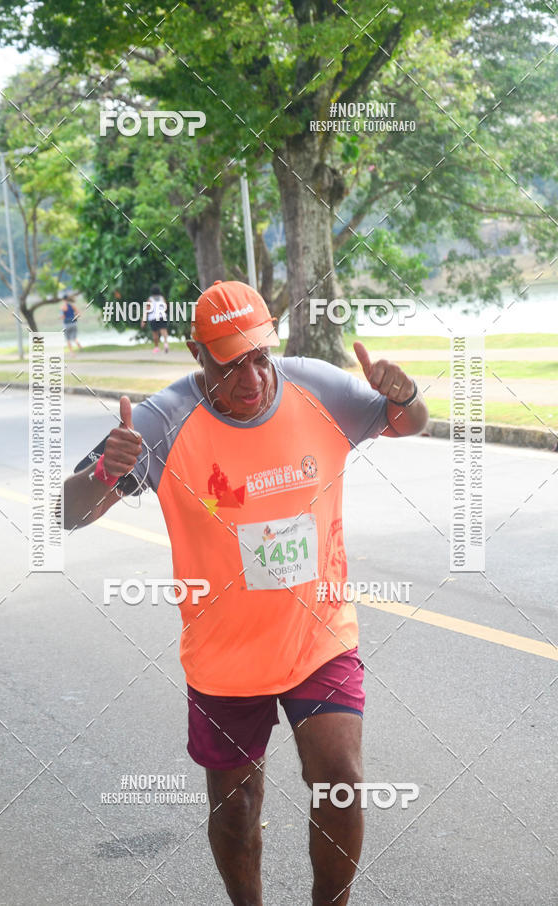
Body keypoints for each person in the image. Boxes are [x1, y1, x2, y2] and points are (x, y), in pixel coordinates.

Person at [62, 280, 428, 906]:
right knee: (237, 809)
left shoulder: (318, 388)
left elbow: (409, 423)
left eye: (260, 356)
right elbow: (69, 512)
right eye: (229, 364)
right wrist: (106, 470)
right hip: (224, 657)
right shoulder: (162, 421)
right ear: (195, 353)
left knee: (340, 780)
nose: (251, 378)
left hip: (319, 635)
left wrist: (407, 394)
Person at [141, 284, 169, 354]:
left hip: (153, 318)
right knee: (164, 330)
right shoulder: (162, 298)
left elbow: (147, 310)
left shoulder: (150, 299)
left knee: (155, 333)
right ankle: (165, 343)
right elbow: (165, 306)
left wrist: (143, 321)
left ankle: (156, 347)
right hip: (162, 316)